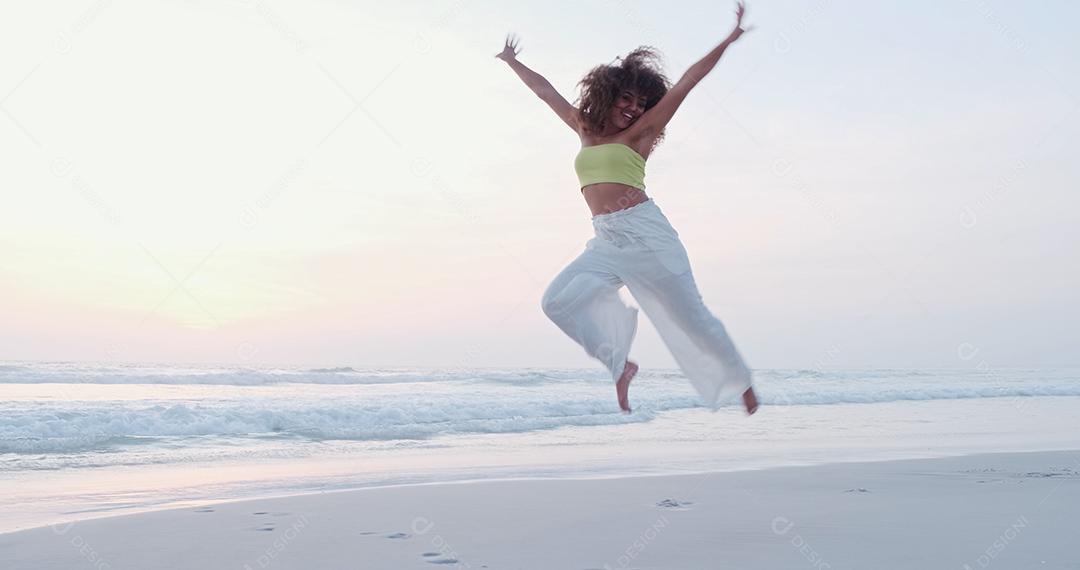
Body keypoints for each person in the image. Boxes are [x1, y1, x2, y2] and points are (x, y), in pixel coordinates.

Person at [496, 1, 759, 416]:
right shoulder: (584, 127)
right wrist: (512, 62)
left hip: (646, 235)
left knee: (691, 318)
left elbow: (688, 81)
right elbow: (545, 92)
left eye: (640, 102)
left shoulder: (642, 133)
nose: (633, 108)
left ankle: (739, 379)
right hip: (606, 239)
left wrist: (729, 38)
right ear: (607, 95)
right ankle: (620, 364)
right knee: (557, 301)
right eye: (626, 99)